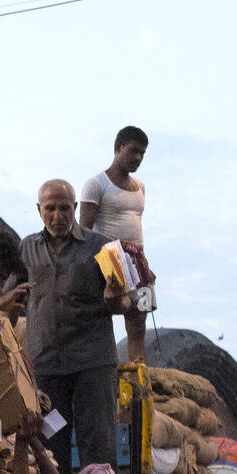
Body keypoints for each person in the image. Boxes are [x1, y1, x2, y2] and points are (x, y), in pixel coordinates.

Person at [17, 179, 129, 474]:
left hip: (92, 361)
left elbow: (124, 302)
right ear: (39, 210)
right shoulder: (25, 248)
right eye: (50, 208)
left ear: (75, 209)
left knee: (99, 441)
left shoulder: (102, 246)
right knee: (51, 440)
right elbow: (10, 298)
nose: (57, 216)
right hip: (46, 364)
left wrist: (115, 297)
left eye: (64, 208)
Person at [80, 126, 154, 365]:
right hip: (108, 261)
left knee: (138, 321)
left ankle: (139, 375)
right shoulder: (96, 184)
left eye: (142, 153)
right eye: (133, 151)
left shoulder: (141, 187)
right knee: (101, 316)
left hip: (138, 262)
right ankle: (102, 369)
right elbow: (84, 231)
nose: (138, 158)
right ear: (118, 148)